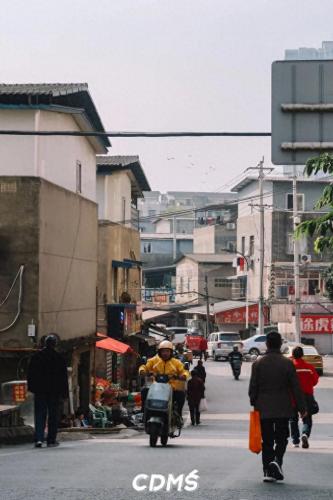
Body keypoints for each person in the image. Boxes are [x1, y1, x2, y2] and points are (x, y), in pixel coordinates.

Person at [248, 331, 306, 483]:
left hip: (263, 408)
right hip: (283, 408)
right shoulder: (287, 363)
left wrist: (254, 402)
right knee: (282, 438)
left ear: (266, 344)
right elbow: (296, 387)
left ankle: (267, 470)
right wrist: (302, 408)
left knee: (267, 440)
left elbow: (252, 388)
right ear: (280, 344)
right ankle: (277, 460)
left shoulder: (258, 363)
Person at [27, 334, 69, 448]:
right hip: (54, 392)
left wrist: (31, 388)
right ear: (55, 344)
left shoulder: (37, 357)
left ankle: (39, 439)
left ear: (44, 344)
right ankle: (51, 440)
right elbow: (63, 378)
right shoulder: (59, 358)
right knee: (53, 416)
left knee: (40, 414)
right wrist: (65, 393)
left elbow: (30, 374)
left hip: (40, 391)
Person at [139, 340, 188, 417]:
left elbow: (184, 371)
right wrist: (142, 371)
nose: (165, 353)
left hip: (172, 389)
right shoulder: (153, 360)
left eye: (167, 351)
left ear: (171, 352)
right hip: (156, 388)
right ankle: (144, 412)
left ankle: (179, 414)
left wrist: (183, 376)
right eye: (163, 351)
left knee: (181, 395)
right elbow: (145, 367)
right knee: (144, 391)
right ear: (159, 352)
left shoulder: (176, 362)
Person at [290, 346, 319, 449]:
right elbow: (315, 381)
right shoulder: (309, 367)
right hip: (307, 396)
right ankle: (305, 434)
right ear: (302, 355)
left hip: (292, 397)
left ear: (293, 355)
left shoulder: (290, 367)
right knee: (307, 419)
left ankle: (295, 441)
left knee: (293, 419)